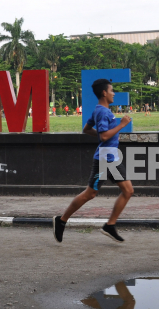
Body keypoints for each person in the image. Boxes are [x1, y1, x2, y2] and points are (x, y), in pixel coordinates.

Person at [53, 79, 134, 244]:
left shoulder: (100, 110)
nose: (114, 93)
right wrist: (122, 124)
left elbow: (87, 129)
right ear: (104, 93)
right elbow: (103, 136)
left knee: (128, 191)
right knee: (90, 194)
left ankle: (110, 225)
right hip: (106, 159)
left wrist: (101, 137)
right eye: (111, 90)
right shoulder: (104, 112)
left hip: (111, 157)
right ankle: (61, 220)